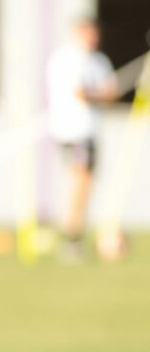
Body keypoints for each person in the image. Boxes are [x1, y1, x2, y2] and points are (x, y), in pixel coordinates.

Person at [47, 18, 118, 260]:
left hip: (92, 133)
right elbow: (80, 93)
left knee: (86, 184)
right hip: (72, 132)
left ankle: (75, 234)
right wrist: (98, 94)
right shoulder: (65, 59)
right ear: (78, 33)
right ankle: (71, 237)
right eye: (89, 34)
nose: (93, 39)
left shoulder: (100, 61)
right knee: (80, 180)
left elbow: (111, 95)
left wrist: (98, 95)